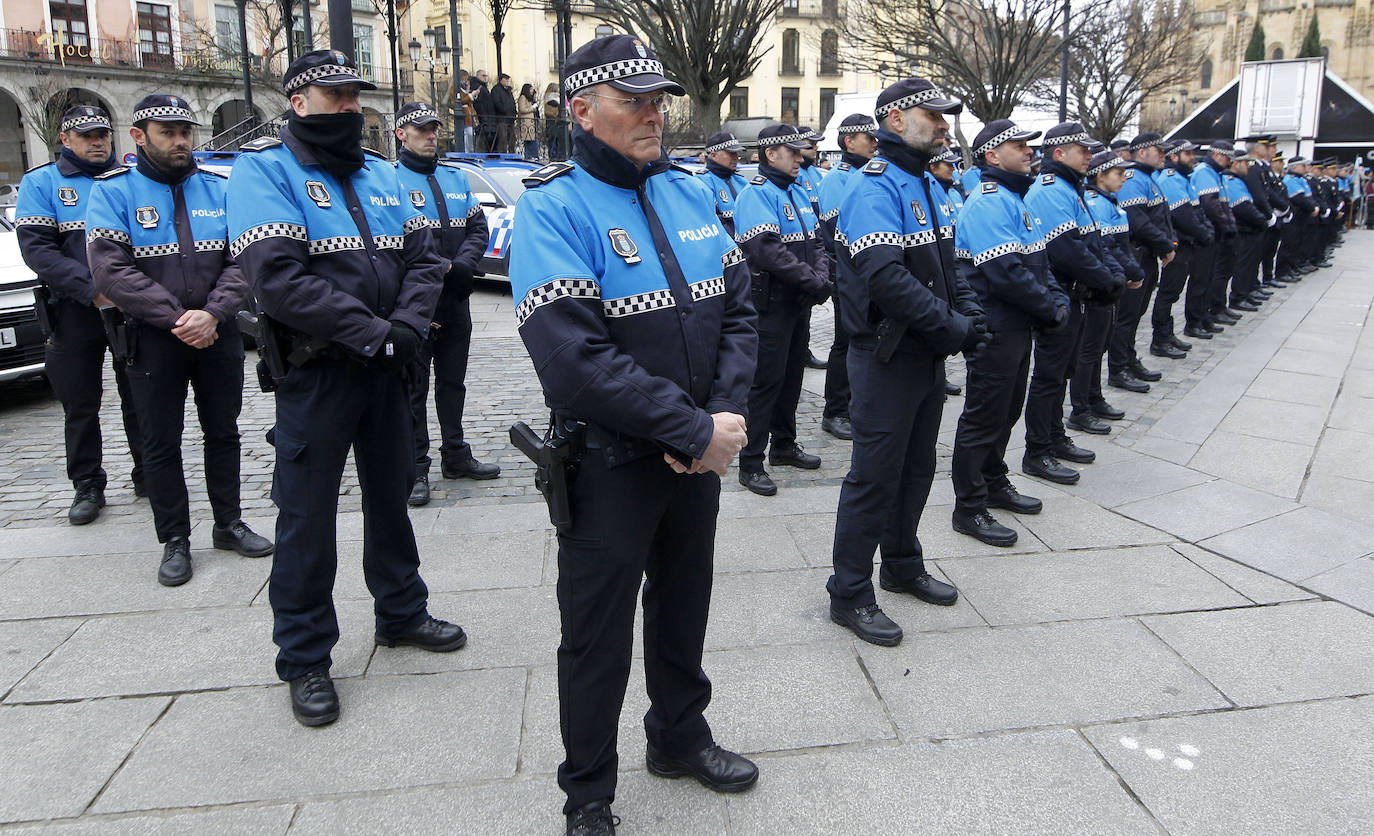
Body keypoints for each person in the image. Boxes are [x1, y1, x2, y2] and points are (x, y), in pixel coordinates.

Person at [507, 34, 759, 836]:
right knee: (596, 639)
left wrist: (718, 420)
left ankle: (679, 738)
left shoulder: (688, 192)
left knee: (685, 607)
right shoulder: (552, 204)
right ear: (581, 110)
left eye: (659, 101)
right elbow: (572, 360)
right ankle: (587, 794)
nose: (654, 113)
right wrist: (692, 427)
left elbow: (739, 313)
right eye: (634, 101)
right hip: (611, 464)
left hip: (694, 457)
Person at [227, 50, 464, 728]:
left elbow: (427, 260)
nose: (351, 108)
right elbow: (278, 280)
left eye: (355, 96)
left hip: (388, 367)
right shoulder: (264, 172)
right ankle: (304, 657)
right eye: (336, 97)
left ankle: (401, 611)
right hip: (318, 371)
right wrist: (374, 331)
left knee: (392, 496)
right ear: (298, 102)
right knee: (307, 515)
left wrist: (406, 328)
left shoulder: (387, 175)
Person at [85, 94, 272, 585]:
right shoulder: (113, 191)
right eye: (167, 132)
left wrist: (211, 314)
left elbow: (243, 259)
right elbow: (111, 271)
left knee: (224, 432)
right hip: (153, 339)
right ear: (139, 136)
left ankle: (228, 522)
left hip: (218, 333)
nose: (180, 141)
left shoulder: (219, 188)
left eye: (185, 131)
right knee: (160, 442)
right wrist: (177, 319)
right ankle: (174, 539)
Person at [827, 78, 973, 647]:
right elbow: (886, 279)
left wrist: (968, 314)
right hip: (885, 357)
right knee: (874, 476)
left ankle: (902, 563)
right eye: (932, 114)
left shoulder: (926, 185)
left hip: (923, 357)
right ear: (895, 121)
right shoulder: (876, 188)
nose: (942, 123)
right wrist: (953, 326)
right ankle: (850, 591)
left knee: (916, 469)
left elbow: (950, 264)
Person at [14, 104, 146, 525]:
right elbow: (39, 251)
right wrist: (94, 291)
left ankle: (148, 472)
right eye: (86, 135)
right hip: (73, 310)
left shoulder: (129, 178)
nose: (97, 142)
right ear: (65, 140)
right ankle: (88, 484)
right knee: (80, 404)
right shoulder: (43, 183)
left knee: (140, 397)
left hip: (128, 308)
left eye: (103, 134)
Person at [950, 118, 1068, 547]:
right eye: (1018, 145)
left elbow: (1040, 260)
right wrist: (1048, 307)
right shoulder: (987, 201)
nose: (1028, 151)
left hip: (1017, 325)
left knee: (1008, 409)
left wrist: (1057, 300)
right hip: (995, 326)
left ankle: (994, 480)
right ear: (992, 155)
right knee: (984, 416)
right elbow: (1004, 272)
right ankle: (969, 506)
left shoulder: (1017, 199)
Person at [392, 102, 497, 508]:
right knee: (413, 389)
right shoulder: (389, 180)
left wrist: (464, 265)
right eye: (421, 129)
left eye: (434, 128)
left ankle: (455, 454)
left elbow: (477, 227)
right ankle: (416, 466)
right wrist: (444, 267)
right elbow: (397, 242)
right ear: (402, 134)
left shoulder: (454, 177)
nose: (431, 135)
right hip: (416, 304)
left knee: (453, 383)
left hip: (455, 299)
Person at [1021, 122, 1125, 485]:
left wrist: (1110, 278)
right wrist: (1108, 280)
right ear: (1060, 153)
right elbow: (1066, 250)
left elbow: (1092, 243)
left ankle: (1053, 437)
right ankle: (1037, 451)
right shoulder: (1052, 190)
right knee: (1049, 376)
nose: (1090, 157)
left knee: (1062, 372)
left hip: (1077, 293)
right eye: (1084, 150)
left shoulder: (1070, 188)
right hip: (1059, 294)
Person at [733, 124, 830, 497]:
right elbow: (767, 250)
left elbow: (817, 241)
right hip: (770, 304)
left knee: (792, 379)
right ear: (771, 154)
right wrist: (813, 280)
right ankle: (751, 460)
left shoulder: (797, 191)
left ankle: (785, 445)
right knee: (764, 383)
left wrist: (818, 277)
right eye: (792, 152)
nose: (799, 157)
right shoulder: (757, 194)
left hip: (797, 302)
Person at [815, 113, 880, 441]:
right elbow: (837, 231)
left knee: (866, 340)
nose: (874, 143)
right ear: (848, 141)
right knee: (845, 341)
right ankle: (835, 411)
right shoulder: (838, 178)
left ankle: (857, 403)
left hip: (868, 272)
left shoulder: (869, 173)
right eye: (868, 138)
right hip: (848, 272)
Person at [1106, 133, 1175, 393]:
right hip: (1136, 254)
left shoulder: (1149, 178)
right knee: (1126, 316)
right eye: (1159, 150)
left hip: (1146, 255)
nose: (1163, 155)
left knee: (1135, 315)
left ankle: (1129, 359)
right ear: (1143, 151)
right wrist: (1164, 244)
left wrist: (1167, 242)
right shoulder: (1134, 179)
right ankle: (1119, 367)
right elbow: (1138, 220)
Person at [1073, 150, 1137, 430]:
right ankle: (1081, 407)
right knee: (1089, 349)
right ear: (1101, 175)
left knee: (1099, 346)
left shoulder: (1109, 202)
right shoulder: (1096, 203)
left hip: (1111, 279)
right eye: (1118, 173)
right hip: (1100, 285)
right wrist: (1122, 274)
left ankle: (1094, 397)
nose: (1124, 179)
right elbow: (1104, 247)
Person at [1150, 140, 1213, 352]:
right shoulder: (1170, 180)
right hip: (1180, 243)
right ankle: (1160, 339)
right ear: (1174, 157)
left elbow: (1197, 211)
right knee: (1168, 293)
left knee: (1173, 293)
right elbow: (1183, 216)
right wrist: (1204, 233)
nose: (1192, 157)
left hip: (1188, 242)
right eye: (1187, 154)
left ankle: (1167, 335)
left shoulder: (1182, 178)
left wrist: (1205, 230)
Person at [1188, 142, 1239, 339]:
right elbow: (1210, 205)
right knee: (1200, 279)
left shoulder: (1215, 173)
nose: (1229, 162)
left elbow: (1223, 205)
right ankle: (1194, 321)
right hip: (1207, 234)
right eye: (1227, 157)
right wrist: (1226, 226)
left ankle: (1204, 316)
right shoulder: (1205, 172)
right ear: (1218, 155)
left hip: (1216, 233)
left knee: (1209, 277)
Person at [1221, 155, 1271, 314]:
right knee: (1242, 266)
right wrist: (1262, 219)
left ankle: (1245, 292)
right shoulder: (1231, 181)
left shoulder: (1237, 180)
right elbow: (1244, 208)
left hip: (1249, 229)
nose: (1247, 167)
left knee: (1249, 264)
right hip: (1243, 230)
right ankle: (1238, 297)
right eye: (1245, 163)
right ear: (1235, 163)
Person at [698, 131, 748, 237]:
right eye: (731, 153)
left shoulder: (743, 182)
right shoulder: (702, 182)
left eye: (737, 153)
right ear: (714, 155)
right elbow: (713, 222)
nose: (736, 157)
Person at [1278, 156, 1319, 281]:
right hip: (1293, 217)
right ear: (1295, 167)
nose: (1306, 167)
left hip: (1301, 217)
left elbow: (1309, 197)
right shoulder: (1291, 180)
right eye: (1303, 165)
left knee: (1297, 243)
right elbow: (1299, 199)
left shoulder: (1301, 179)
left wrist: (1314, 207)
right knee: (1289, 245)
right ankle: (1282, 272)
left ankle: (1292, 267)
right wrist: (1312, 208)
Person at [472, 70, 497, 152]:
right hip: (485, 118)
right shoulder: (478, 87)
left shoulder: (483, 87)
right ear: (478, 76)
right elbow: (478, 103)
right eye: (483, 75)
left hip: (488, 117)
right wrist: (484, 117)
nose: (485, 77)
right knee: (484, 140)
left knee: (489, 140)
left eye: (486, 76)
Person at [493, 73, 518, 154]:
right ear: (501, 80)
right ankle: (503, 154)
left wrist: (514, 112)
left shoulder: (508, 91)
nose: (507, 81)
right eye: (505, 79)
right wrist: (504, 111)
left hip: (510, 118)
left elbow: (512, 102)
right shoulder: (496, 89)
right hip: (502, 117)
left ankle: (511, 153)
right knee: (502, 137)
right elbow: (497, 102)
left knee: (512, 138)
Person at [455, 70, 478, 153]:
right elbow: (461, 100)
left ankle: (470, 151)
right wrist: (471, 95)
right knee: (467, 135)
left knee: (470, 135)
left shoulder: (465, 89)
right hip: (464, 116)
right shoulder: (455, 89)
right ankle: (466, 152)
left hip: (470, 116)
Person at [517, 82, 540, 159]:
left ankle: (533, 156)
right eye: (530, 89)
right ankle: (530, 157)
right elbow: (522, 109)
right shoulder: (523, 97)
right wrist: (532, 108)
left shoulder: (529, 98)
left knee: (533, 141)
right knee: (529, 141)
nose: (532, 91)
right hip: (526, 122)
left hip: (531, 123)